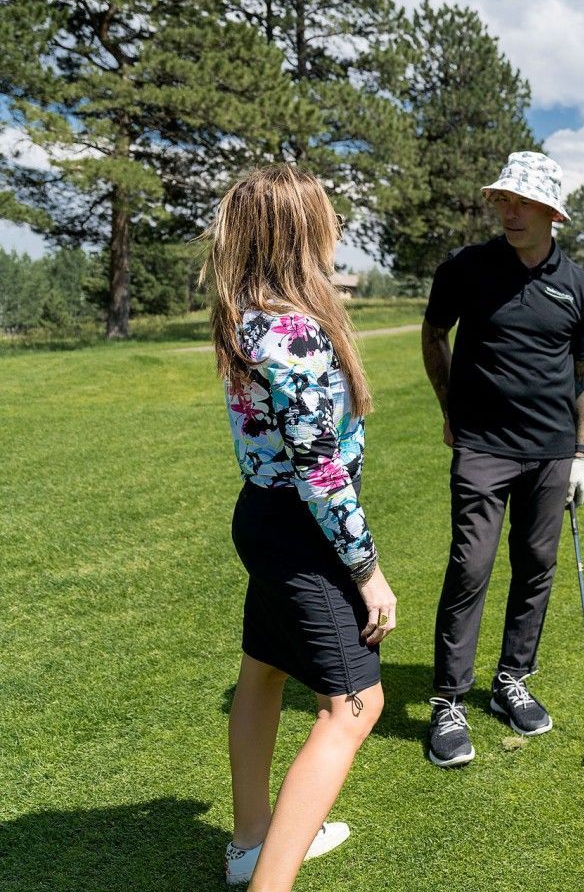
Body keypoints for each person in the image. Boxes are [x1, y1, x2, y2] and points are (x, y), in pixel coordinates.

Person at [204, 165, 396, 889]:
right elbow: (320, 473)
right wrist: (368, 572)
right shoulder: (294, 333)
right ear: (300, 231)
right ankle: (268, 880)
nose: (336, 227)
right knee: (355, 707)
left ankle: (252, 842)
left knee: (263, 671)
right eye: (325, 217)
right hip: (299, 532)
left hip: (265, 518)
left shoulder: (247, 317)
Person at [422, 151, 584, 767]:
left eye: (522, 202)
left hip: (552, 452)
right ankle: (448, 698)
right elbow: (433, 333)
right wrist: (450, 405)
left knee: (535, 567)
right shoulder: (467, 269)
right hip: (482, 445)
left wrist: (580, 452)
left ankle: (510, 681)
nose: (509, 211)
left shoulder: (579, 285)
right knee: (470, 567)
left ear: (552, 212)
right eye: (504, 199)